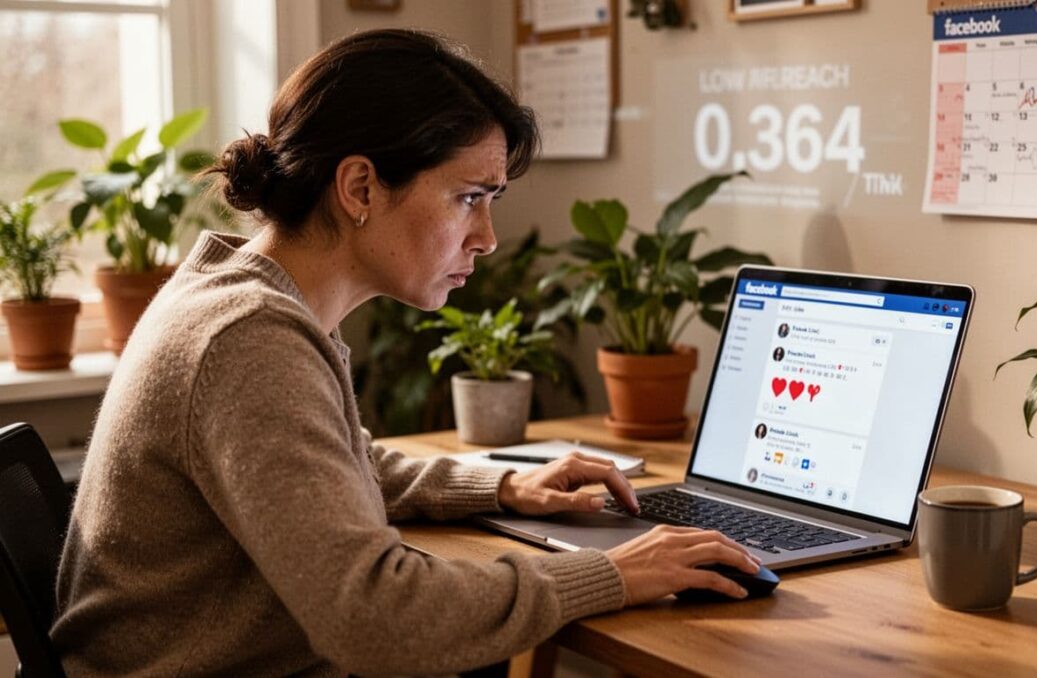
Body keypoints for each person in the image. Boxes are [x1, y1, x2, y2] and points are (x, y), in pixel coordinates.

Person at [51, 29, 759, 676]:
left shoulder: (242, 295)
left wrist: (503, 487)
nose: (486, 236)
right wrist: (615, 575)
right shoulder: (249, 339)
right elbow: (375, 618)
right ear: (360, 187)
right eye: (469, 197)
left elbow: (326, 469)